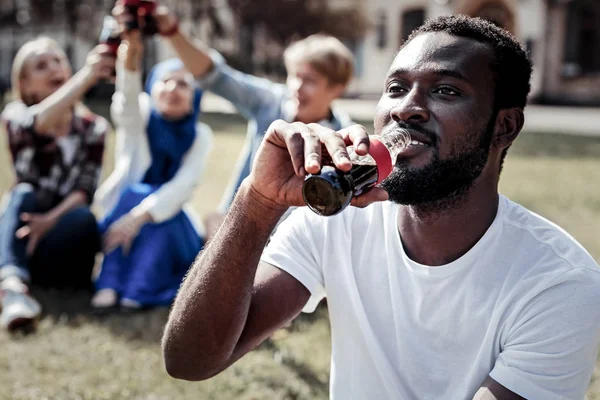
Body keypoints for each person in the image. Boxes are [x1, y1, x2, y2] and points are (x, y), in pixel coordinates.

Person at [162, 15, 600, 399]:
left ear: (504, 126)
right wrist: (256, 203)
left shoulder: (557, 284)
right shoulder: (341, 221)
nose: (407, 109)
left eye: (446, 90)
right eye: (396, 88)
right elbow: (189, 361)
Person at [120, 4, 356, 238]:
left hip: (294, 247)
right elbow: (216, 77)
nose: (297, 88)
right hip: (235, 228)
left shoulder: (344, 141)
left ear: (337, 88)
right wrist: (172, 31)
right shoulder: (271, 103)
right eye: (295, 76)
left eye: (311, 81)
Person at [92, 27, 213, 311]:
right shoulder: (142, 117)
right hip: (125, 209)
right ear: (152, 88)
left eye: (183, 84)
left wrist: (138, 217)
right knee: (133, 193)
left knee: (151, 207)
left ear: (193, 98)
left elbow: (182, 187)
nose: (172, 88)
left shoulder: (200, 135)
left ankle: (136, 288)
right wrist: (130, 61)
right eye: (165, 81)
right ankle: (111, 283)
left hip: (168, 221)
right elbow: (126, 108)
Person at [0, 37, 113, 331]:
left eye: (57, 61)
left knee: (84, 218)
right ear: (26, 86)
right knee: (21, 194)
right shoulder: (15, 116)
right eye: (40, 65)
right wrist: (87, 76)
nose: (53, 68)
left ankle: (19, 279)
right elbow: (37, 125)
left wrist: (49, 221)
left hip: (64, 238)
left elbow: (83, 191)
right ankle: (13, 288)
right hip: (24, 237)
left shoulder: (94, 128)